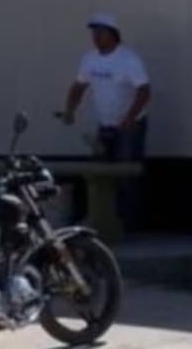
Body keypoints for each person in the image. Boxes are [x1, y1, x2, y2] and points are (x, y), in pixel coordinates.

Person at [61, 12, 151, 227]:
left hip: (129, 126)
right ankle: (104, 218)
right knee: (101, 171)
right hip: (106, 125)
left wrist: (130, 118)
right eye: (94, 33)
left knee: (125, 173)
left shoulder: (128, 60)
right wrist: (70, 110)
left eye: (101, 32)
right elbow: (79, 86)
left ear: (113, 35)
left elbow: (144, 91)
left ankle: (128, 222)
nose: (96, 37)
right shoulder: (90, 60)